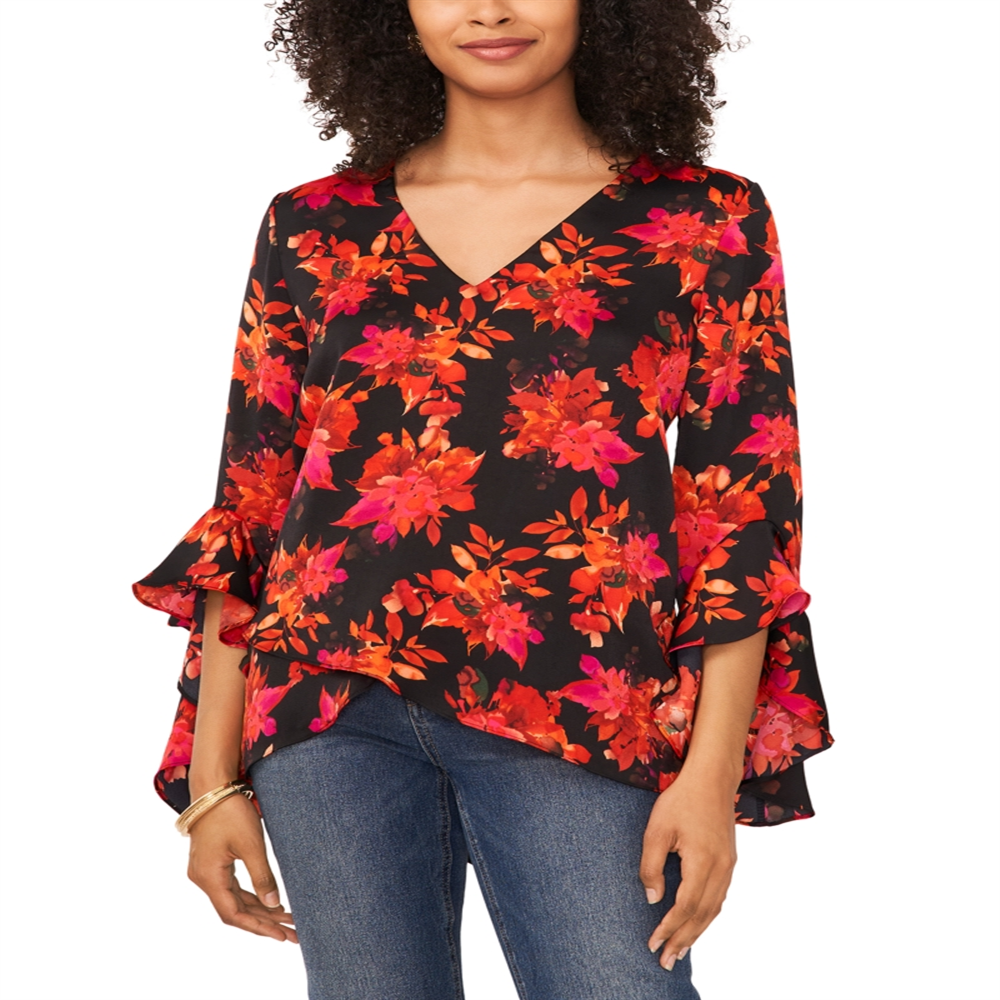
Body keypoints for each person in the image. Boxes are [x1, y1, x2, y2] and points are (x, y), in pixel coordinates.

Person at [133, 2, 833, 997]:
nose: (490, 8)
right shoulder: (313, 225)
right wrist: (213, 782)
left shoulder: (704, 220)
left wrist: (710, 776)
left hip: (579, 709)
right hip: (328, 712)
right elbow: (254, 501)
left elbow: (743, 511)